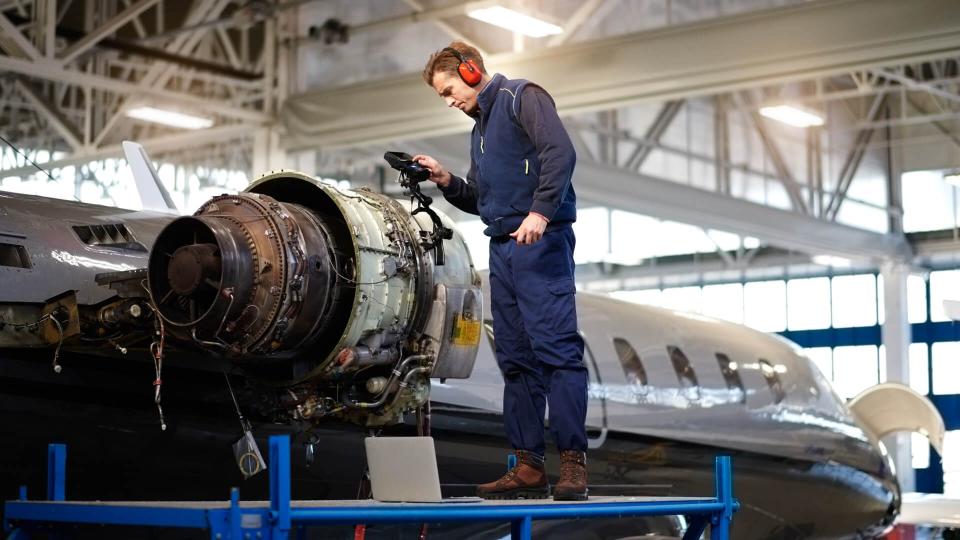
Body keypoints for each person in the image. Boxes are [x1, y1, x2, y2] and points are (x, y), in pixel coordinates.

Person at [415, 41, 588, 501]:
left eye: (450, 89)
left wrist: (542, 212)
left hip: (540, 242)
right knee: (515, 358)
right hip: (504, 248)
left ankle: (573, 466)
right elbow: (483, 200)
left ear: (471, 72)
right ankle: (529, 466)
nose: (450, 100)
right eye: (442, 96)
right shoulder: (482, 128)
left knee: (556, 351)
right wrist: (447, 181)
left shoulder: (522, 98)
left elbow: (560, 155)